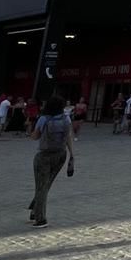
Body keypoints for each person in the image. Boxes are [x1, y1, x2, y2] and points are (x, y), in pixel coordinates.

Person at [27, 95, 75, 229]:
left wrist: (30, 130)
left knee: (41, 186)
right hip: (60, 154)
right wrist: (72, 154)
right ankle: (35, 209)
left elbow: (35, 137)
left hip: (44, 155)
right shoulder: (66, 118)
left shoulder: (44, 119)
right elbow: (69, 136)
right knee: (47, 184)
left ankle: (40, 218)